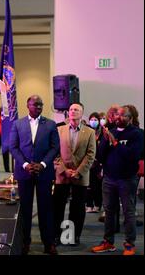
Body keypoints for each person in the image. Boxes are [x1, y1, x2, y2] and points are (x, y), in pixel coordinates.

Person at [9, 95, 60, 255]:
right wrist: (25, 165)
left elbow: (55, 147)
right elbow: (13, 146)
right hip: (24, 173)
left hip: (44, 172)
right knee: (25, 209)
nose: (39, 107)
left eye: (41, 104)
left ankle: (49, 243)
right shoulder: (18, 124)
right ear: (28, 105)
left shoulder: (51, 124)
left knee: (46, 208)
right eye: (35, 104)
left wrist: (43, 164)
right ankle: (25, 242)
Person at [91, 106, 143, 255]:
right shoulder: (111, 132)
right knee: (108, 212)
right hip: (109, 178)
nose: (119, 118)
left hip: (127, 179)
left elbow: (133, 156)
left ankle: (129, 244)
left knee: (128, 212)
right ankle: (108, 242)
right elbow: (101, 156)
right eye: (117, 115)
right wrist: (104, 143)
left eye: (123, 115)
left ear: (130, 118)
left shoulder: (136, 134)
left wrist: (115, 143)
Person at [53, 103, 96, 246]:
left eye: (76, 110)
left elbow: (91, 155)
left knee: (77, 209)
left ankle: (73, 236)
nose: (72, 111)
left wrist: (78, 172)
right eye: (71, 109)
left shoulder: (89, 132)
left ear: (81, 113)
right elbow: (55, 153)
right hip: (62, 175)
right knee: (58, 207)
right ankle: (56, 236)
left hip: (80, 176)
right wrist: (64, 170)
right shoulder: (59, 130)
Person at [86, 112, 104, 213]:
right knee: (88, 186)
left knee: (97, 185)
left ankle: (97, 204)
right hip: (88, 162)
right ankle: (89, 205)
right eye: (91, 120)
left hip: (98, 163)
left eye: (95, 120)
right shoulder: (87, 131)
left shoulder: (102, 133)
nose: (93, 122)